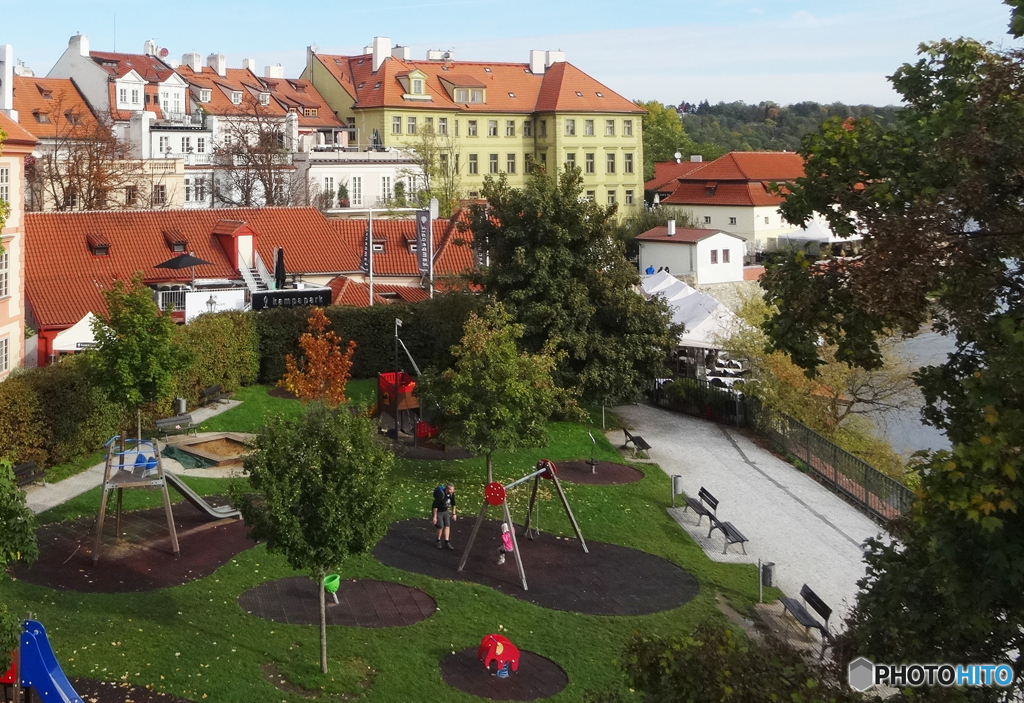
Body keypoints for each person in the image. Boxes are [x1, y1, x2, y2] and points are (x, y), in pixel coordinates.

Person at [432, 482, 457, 549]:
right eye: (450, 490)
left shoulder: (452, 495)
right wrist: (434, 517)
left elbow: (453, 504)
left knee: (447, 526)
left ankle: (446, 541)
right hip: (439, 511)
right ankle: (438, 541)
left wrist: (453, 513)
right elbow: (435, 506)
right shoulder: (441, 495)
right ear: (447, 489)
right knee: (440, 526)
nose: (452, 491)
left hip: (445, 511)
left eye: (453, 490)